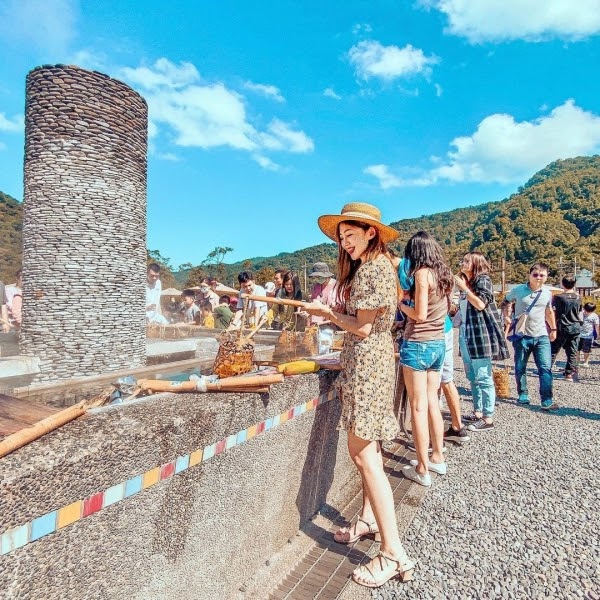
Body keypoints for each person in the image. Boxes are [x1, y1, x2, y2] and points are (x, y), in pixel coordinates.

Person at [304, 202, 415, 589]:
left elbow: (364, 328)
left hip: (367, 368)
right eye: (341, 237)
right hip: (374, 364)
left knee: (364, 456)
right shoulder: (380, 265)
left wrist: (328, 314)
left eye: (350, 235)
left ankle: (393, 553)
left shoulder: (370, 269)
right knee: (371, 451)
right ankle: (368, 518)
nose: (345, 242)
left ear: (371, 233)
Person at [393, 255, 469, 445]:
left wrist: (401, 304)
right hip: (443, 330)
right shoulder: (438, 271)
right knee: (444, 383)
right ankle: (454, 430)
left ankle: (428, 447)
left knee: (423, 398)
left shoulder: (407, 269)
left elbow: (419, 310)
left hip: (425, 336)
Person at [399, 232, 453, 487]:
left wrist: (401, 305)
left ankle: (422, 469)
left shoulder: (422, 274)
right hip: (437, 343)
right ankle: (437, 457)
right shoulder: (444, 274)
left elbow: (419, 314)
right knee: (432, 401)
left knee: (418, 407)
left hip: (418, 344)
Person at [454, 252, 509, 431]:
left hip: (480, 335)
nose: (463, 263)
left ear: (476, 263)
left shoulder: (482, 280)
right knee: (472, 376)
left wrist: (464, 288)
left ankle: (488, 417)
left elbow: (480, 304)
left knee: (483, 376)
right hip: (466, 333)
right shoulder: (468, 283)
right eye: (463, 260)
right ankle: (477, 412)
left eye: (467, 261)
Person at [502, 263, 558, 410]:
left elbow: (549, 311)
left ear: (546, 276)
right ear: (529, 275)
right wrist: (506, 316)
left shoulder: (547, 293)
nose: (538, 278)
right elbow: (505, 302)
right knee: (520, 366)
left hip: (541, 335)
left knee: (545, 368)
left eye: (542, 275)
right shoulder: (518, 290)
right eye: (535, 274)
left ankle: (547, 400)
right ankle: (523, 394)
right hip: (522, 335)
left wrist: (553, 329)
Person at [550, 275, 582, 381]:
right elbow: (579, 311)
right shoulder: (578, 297)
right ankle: (569, 374)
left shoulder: (558, 297)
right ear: (574, 284)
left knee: (553, 350)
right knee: (572, 351)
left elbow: (553, 312)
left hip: (562, 326)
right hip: (575, 326)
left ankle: (547, 370)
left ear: (562, 284)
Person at [579, 302, 599, 367]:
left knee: (586, 350)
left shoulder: (594, 316)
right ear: (584, 308)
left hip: (588, 336)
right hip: (578, 335)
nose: (586, 312)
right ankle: (577, 361)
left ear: (593, 311)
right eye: (585, 310)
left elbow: (597, 325)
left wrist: (598, 334)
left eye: (588, 312)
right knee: (576, 349)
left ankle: (585, 362)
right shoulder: (580, 313)